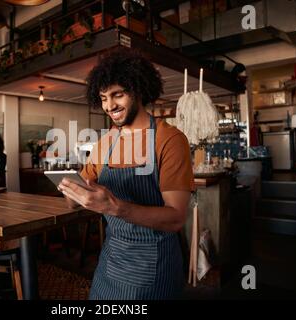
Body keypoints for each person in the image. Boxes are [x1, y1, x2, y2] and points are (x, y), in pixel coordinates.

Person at [58, 48, 194, 300]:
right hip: (112, 258)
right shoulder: (104, 143)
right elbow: (78, 198)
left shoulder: (170, 140)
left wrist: (114, 207)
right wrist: (71, 191)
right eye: (103, 98)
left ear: (138, 89)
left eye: (117, 95)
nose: (109, 106)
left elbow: (176, 218)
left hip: (154, 262)